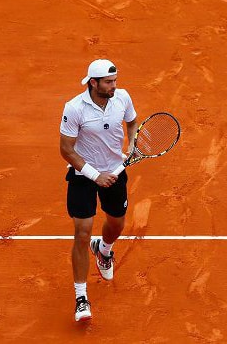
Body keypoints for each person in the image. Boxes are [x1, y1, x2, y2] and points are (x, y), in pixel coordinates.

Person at [59, 59, 139, 322]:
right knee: (82, 232)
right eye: (108, 82)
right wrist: (95, 175)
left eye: (115, 81)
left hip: (116, 171)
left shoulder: (122, 98)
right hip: (84, 175)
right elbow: (66, 150)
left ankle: (103, 249)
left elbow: (132, 122)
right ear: (93, 83)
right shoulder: (74, 108)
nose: (114, 86)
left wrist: (133, 143)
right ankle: (81, 297)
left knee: (116, 225)